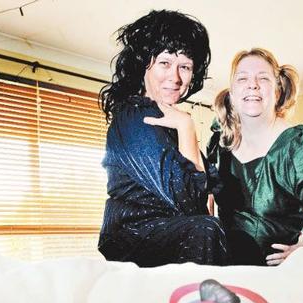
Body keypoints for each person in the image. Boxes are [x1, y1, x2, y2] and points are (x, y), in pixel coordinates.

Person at [97, 10, 227, 267]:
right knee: (207, 228)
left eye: (185, 67)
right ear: (143, 64)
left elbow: (211, 186)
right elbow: (192, 204)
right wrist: (187, 126)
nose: (176, 77)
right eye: (165, 63)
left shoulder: (166, 119)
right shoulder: (137, 117)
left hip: (167, 234)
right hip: (135, 239)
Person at [210, 48, 303, 266]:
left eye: (263, 78)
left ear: (277, 90)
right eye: (242, 78)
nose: (253, 84)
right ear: (232, 91)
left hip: (284, 278)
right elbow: (207, 204)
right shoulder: (220, 144)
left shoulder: (302, 145)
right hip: (232, 271)